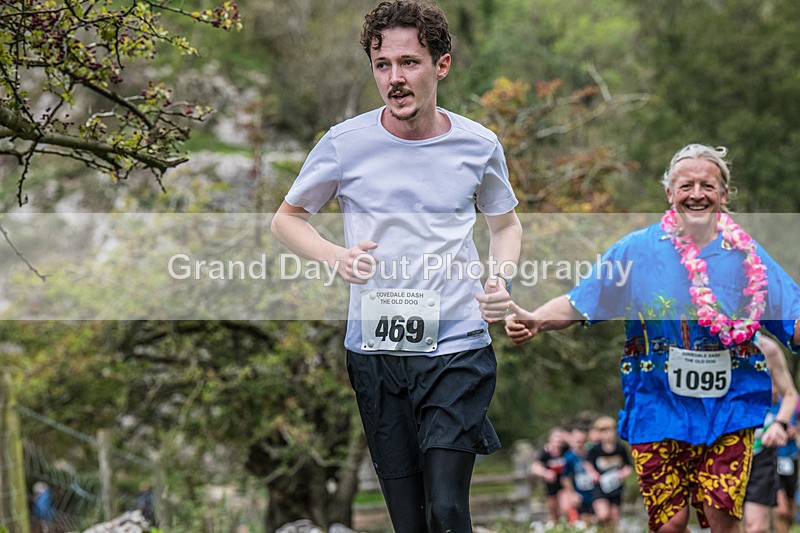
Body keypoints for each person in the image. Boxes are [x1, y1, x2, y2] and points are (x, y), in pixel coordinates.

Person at [270, 1, 522, 530]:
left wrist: (500, 280)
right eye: (383, 65)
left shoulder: (478, 145)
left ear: (441, 65)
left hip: (457, 344)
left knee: (449, 509)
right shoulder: (345, 145)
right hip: (377, 351)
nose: (395, 78)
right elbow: (287, 220)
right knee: (409, 522)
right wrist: (336, 256)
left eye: (409, 63)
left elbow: (505, 225)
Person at [505, 143, 800, 532]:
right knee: (669, 522)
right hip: (656, 402)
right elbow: (583, 300)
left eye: (707, 186)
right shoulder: (636, 250)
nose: (697, 194)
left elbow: (792, 316)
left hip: (729, 405)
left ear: (724, 194)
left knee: (721, 515)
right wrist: (537, 320)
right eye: (686, 185)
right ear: (669, 193)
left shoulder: (748, 257)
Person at [744, 334, 799, 533]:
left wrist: (780, 424)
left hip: (766, 451)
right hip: (726, 447)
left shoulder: (767, 348)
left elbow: (790, 394)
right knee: (726, 523)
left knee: (758, 526)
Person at [584, 416, 632, 531]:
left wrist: (623, 474)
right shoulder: (595, 449)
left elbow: (628, 466)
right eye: (603, 431)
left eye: (609, 430)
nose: (607, 434)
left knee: (614, 517)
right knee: (603, 514)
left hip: (616, 487)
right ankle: (595, 524)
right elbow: (587, 463)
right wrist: (593, 474)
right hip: (600, 487)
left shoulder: (620, 448)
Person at [531, 426, 573, 525]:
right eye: (555, 437)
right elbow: (534, 467)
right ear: (550, 439)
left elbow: (576, 442)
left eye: (560, 437)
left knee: (566, 507)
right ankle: (556, 528)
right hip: (550, 485)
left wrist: (565, 435)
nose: (558, 440)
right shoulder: (545, 453)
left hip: (563, 484)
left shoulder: (565, 450)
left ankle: (569, 525)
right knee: (553, 511)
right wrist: (545, 473)